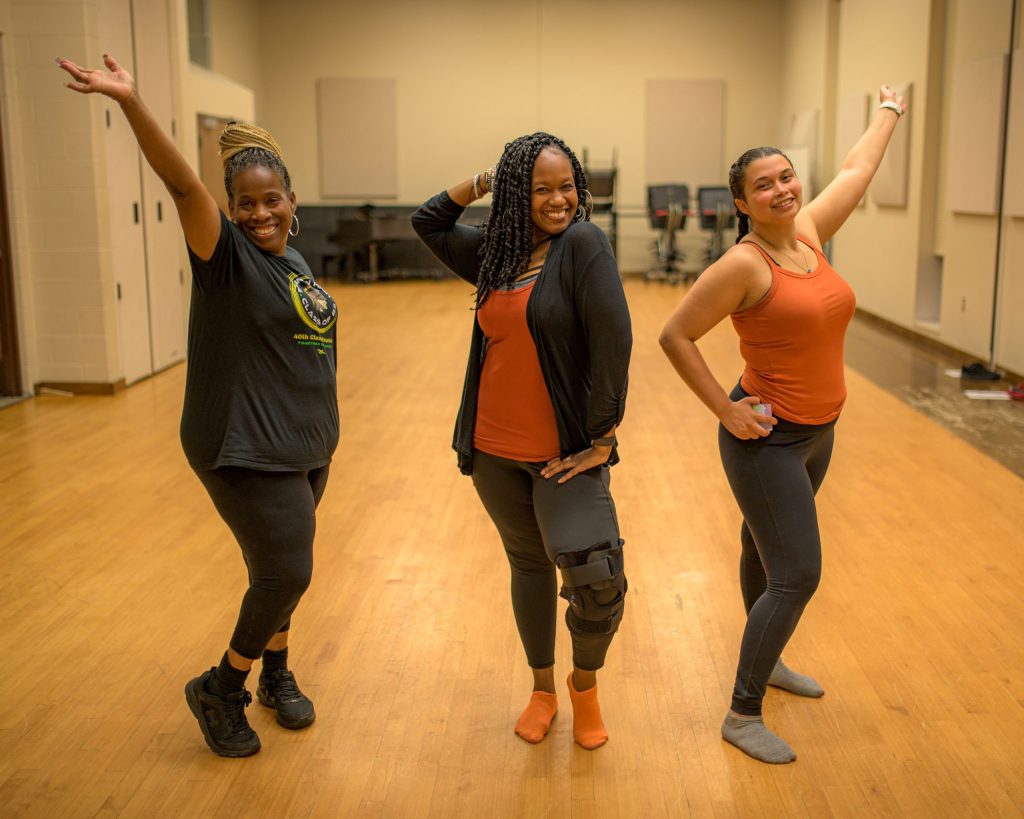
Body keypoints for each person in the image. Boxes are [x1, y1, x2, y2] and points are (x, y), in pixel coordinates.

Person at [58, 55, 339, 758]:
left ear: (292, 199)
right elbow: (183, 183)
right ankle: (223, 685)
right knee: (288, 569)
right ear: (229, 208)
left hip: (303, 445)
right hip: (240, 443)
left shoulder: (295, 264)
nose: (259, 213)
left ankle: (276, 670)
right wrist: (128, 101)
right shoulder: (225, 257)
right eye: (244, 203)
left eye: (271, 199)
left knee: (279, 566)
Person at [659, 86, 907, 764]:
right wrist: (725, 407)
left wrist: (888, 110)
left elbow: (855, 170)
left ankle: (767, 662)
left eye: (787, 176)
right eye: (763, 185)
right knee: (797, 573)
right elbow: (675, 335)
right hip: (768, 438)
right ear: (741, 202)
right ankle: (743, 712)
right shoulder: (744, 263)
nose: (782, 189)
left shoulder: (807, 234)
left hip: (819, 432)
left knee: (760, 551)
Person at [412, 133, 631, 749]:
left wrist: (603, 438)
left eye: (567, 186)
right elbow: (428, 220)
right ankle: (541, 690)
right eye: (540, 188)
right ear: (516, 194)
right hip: (492, 451)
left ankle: (583, 687)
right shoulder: (497, 253)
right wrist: (486, 180)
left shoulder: (583, 245)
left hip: (563, 451)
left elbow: (615, 339)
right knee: (529, 566)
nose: (559, 200)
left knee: (596, 581)